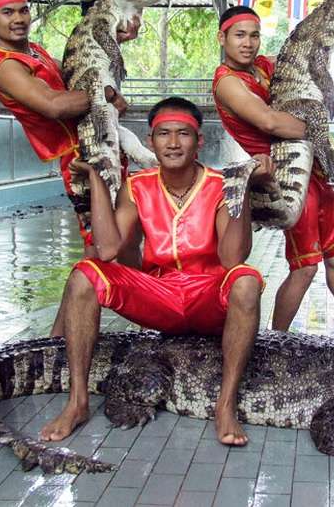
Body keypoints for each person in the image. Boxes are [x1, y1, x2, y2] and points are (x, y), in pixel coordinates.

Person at [39, 97, 273, 446]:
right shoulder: (137, 186)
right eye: (164, 134)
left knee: (247, 280)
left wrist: (241, 187)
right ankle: (77, 402)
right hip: (160, 296)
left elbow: (232, 259)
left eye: (184, 134)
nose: (174, 143)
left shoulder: (220, 184)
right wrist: (97, 179)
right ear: (150, 141)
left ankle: (225, 405)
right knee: (83, 274)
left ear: (199, 140)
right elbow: (107, 250)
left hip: (208, 296)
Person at [211, 5, 334, 340]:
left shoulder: (264, 67)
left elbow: (305, 56)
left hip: (314, 170)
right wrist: (318, 130)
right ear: (223, 37)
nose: (248, 43)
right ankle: (275, 339)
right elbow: (269, 121)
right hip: (288, 176)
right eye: (239, 35)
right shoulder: (227, 83)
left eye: (254, 35)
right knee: (305, 266)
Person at [0, 0, 131, 255]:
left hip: (99, 139)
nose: (18, 19)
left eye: (24, 10)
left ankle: (127, 296)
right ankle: (88, 294)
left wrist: (114, 42)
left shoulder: (35, 51)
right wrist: (105, 95)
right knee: (101, 246)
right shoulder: (6, 67)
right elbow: (55, 106)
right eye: (8, 13)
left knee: (125, 233)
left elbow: (75, 74)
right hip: (80, 158)